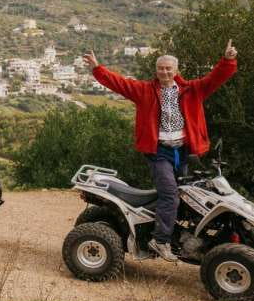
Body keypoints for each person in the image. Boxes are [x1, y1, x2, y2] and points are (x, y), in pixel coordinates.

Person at [83, 40, 237, 261]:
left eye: (168, 68)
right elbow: (119, 83)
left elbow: (216, 78)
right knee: (170, 195)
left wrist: (228, 60)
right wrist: (97, 68)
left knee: (185, 196)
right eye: (161, 68)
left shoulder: (192, 90)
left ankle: (173, 235)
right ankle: (160, 240)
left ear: (176, 71)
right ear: (156, 71)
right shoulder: (145, 91)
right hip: (159, 153)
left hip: (183, 152)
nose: (164, 72)